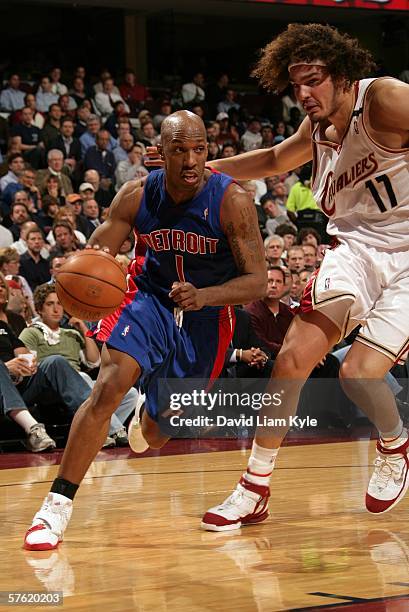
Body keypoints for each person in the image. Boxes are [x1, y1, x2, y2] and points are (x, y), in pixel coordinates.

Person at [191, 23, 409, 530]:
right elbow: (270, 160)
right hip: (355, 250)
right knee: (292, 357)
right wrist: (199, 171)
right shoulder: (317, 128)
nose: (303, 94)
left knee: (358, 375)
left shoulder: (385, 101)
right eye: (296, 85)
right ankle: (254, 488)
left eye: (313, 81)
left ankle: (395, 444)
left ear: (344, 74)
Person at [23, 109, 266, 550]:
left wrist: (205, 296)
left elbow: (257, 282)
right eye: (179, 150)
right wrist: (83, 275)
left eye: (199, 149)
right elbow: (99, 252)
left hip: (208, 315)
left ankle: (147, 414)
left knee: (157, 434)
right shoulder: (136, 195)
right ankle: (54, 508)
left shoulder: (232, 201)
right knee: (108, 386)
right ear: (160, 153)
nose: (191, 160)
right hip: (148, 298)